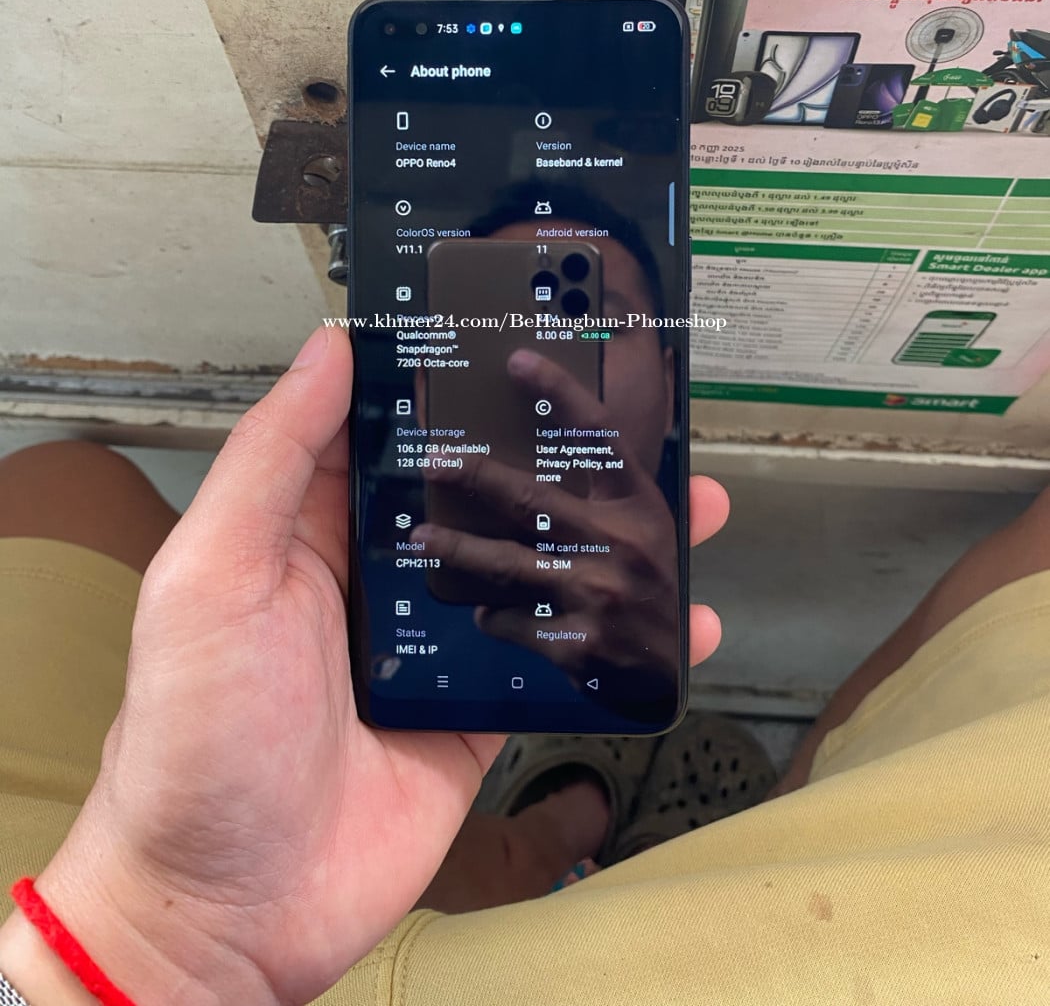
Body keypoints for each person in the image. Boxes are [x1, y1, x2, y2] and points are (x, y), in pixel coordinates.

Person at [0, 325, 1048, 1004]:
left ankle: (552, 831)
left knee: (62, 481)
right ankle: (708, 826)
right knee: (869, 806)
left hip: (127, 952)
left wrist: (166, 932)